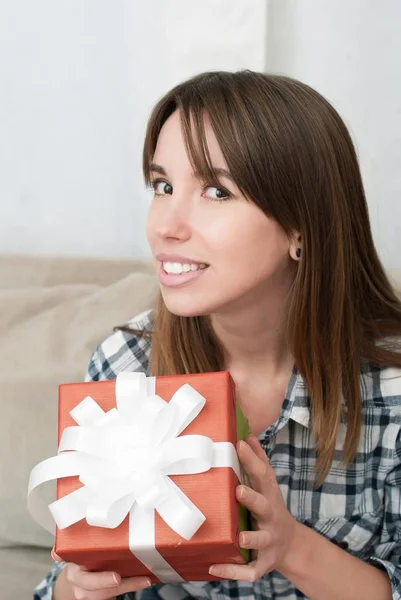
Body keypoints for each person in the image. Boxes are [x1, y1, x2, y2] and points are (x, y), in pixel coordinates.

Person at [34, 70, 401, 600]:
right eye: (163, 186)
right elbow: (60, 588)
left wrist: (291, 547)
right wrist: (81, 584)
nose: (165, 225)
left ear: (300, 226)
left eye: (214, 190)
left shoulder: (390, 391)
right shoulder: (128, 368)